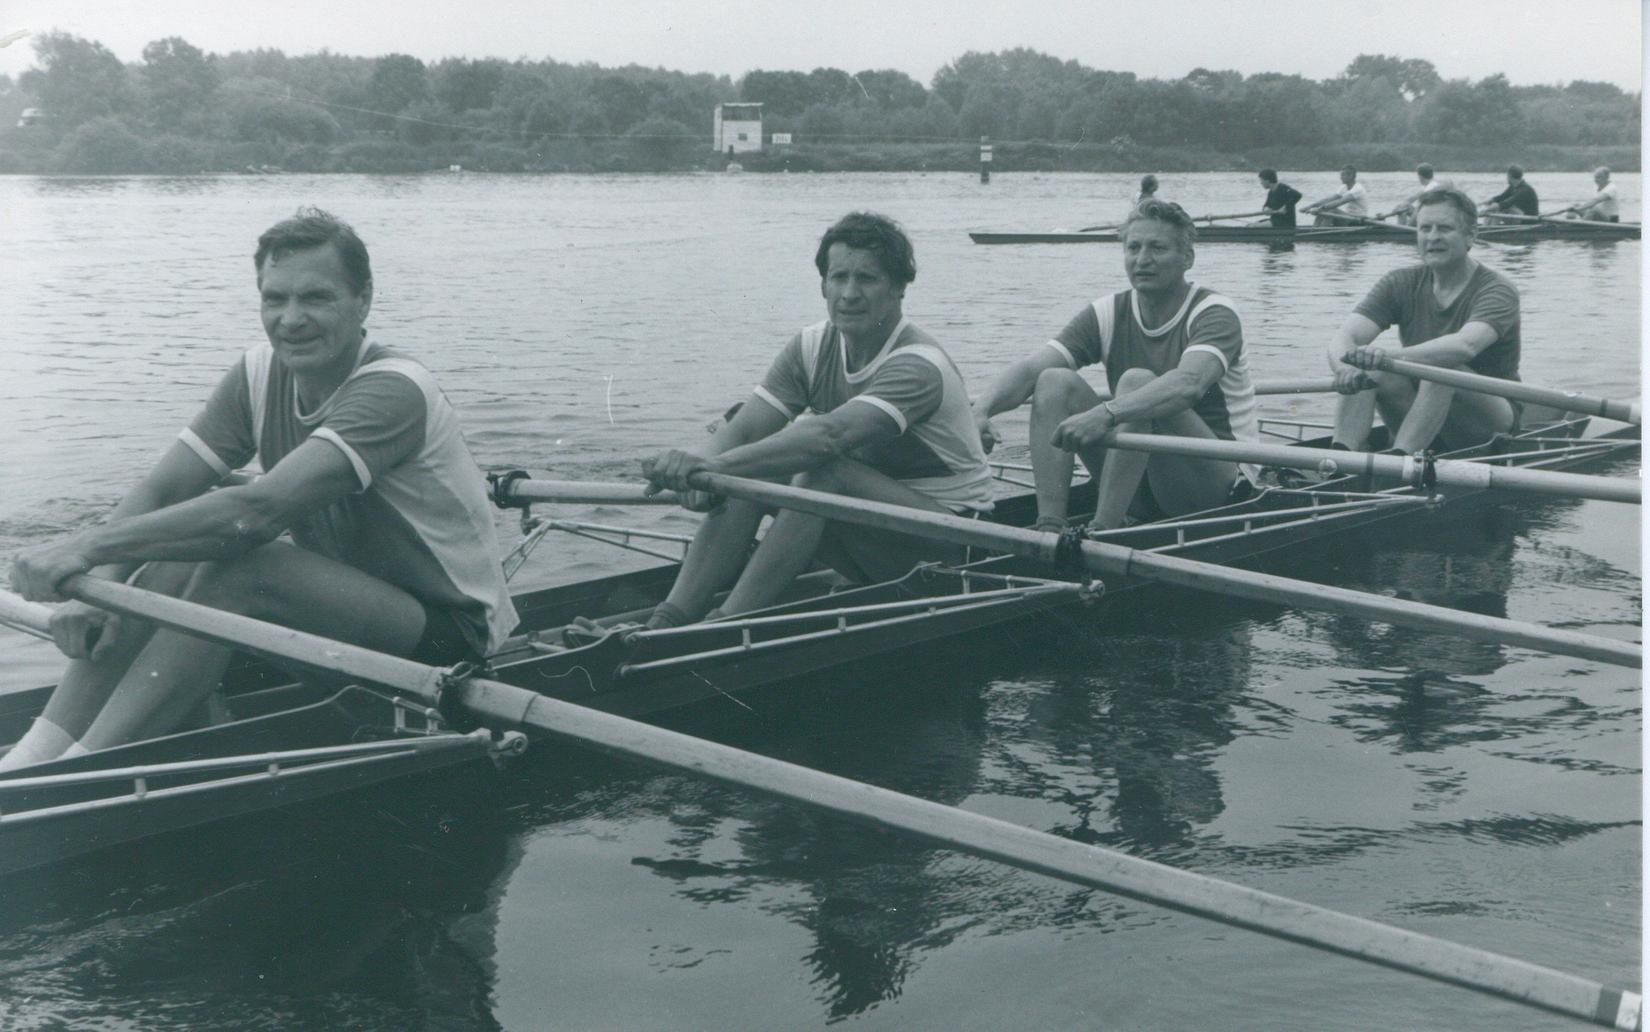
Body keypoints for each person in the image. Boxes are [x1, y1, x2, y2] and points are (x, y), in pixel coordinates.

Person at [4, 209, 517, 769]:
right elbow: (163, 491)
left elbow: (256, 514)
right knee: (171, 551)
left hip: (447, 638)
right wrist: (95, 593)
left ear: (363, 300)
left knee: (244, 563)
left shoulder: (394, 390)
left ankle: (82, 771)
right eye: (275, 299)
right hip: (339, 616)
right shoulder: (258, 373)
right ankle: (34, 757)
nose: (291, 320)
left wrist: (83, 547)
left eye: (316, 298)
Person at [631, 212, 994, 629]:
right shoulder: (810, 347)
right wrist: (695, 470)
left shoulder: (918, 365)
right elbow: (744, 431)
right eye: (839, 277)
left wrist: (717, 466)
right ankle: (665, 623)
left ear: (898, 288)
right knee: (756, 465)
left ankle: (724, 627)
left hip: (955, 543)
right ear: (823, 285)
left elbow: (828, 437)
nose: (849, 294)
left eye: (867, 279)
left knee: (821, 471)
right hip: (871, 526)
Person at [971, 199, 1259, 533]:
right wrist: (980, 411)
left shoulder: (1214, 312)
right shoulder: (1108, 312)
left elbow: (1189, 384)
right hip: (1138, 477)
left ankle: (1102, 532)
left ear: (1187, 258)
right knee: (1054, 381)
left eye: (1157, 248)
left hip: (1219, 487)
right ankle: (1049, 527)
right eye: (1134, 247)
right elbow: (1030, 370)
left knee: (1136, 382)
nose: (1142, 259)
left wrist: (1106, 413)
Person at [1327, 188, 1521, 456]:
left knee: (1441, 367)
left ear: (1471, 235)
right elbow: (1345, 337)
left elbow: (1464, 346)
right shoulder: (1399, 282)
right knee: (1364, 367)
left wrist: (1385, 357)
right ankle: (1340, 462)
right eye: (1425, 228)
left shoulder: (1497, 290)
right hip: (1424, 407)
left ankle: (1402, 460)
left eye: (1445, 228)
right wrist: (1344, 369)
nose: (1432, 237)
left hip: (1490, 422)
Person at [1380, 163, 1448, 224]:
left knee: (1402, 208)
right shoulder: (1433, 185)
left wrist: (1399, 209)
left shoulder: (1428, 189)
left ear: (1420, 176)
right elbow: (1411, 199)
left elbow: (1418, 207)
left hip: (1428, 218)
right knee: (1403, 206)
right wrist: (1399, 208)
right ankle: (1402, 226)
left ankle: (1401, 230)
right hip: (1432, 216)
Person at [1303, 165, 1369, 225]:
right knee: (1323, 211)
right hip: (1348, 217)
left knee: (1331, 210)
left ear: (1351, 176)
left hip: (1359, 219)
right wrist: (1310, 206)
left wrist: (1319, 209)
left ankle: (1321, 231)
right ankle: (1314, 229)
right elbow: (1329, 199)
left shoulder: (1358, 189)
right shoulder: (1344, 187)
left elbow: (1339, 202)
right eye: (1341, 175)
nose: (1341, 178)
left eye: (1343, 175)